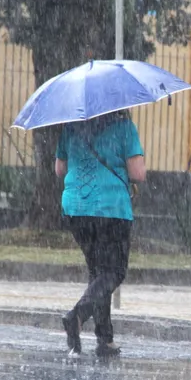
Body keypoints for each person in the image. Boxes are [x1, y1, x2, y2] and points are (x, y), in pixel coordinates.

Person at [56, 110, 146, 357]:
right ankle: (78, 315)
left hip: (76, 209)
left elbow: (59, 169)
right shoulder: (124, 126)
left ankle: (105, 339)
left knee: (98, 272)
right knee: (114, 271)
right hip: (111, 208)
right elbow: (138, 172)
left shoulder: (70, 125)